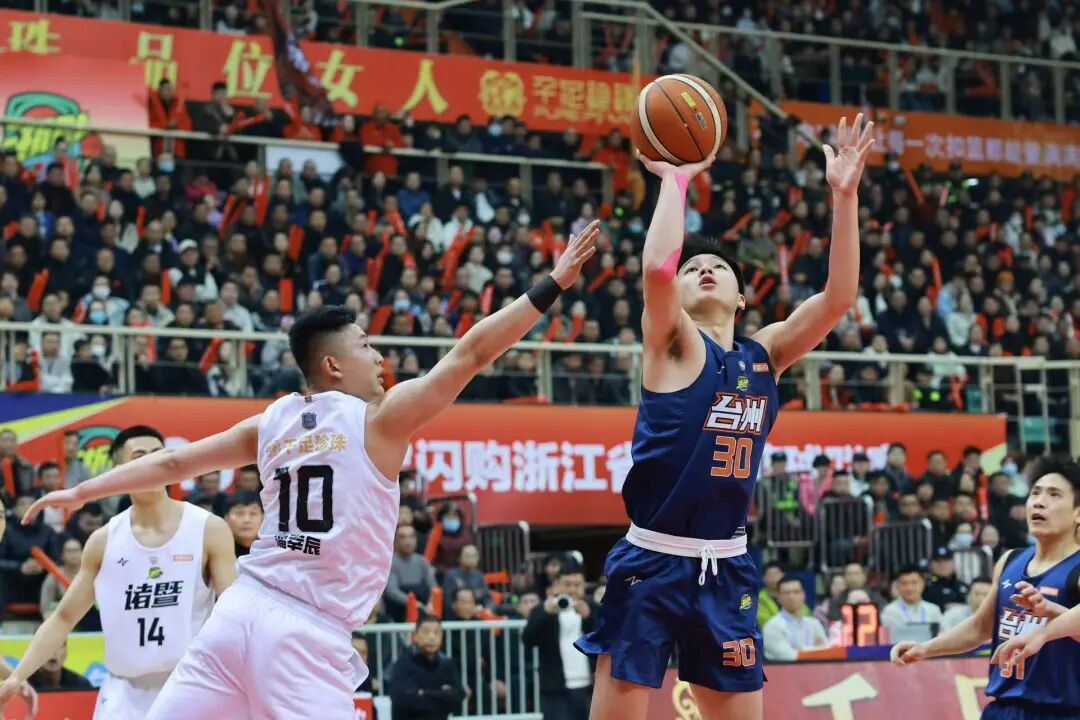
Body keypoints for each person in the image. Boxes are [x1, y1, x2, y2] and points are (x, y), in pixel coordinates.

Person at [11, 223, 599, 718]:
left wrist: (80, 490)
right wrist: (553, 283)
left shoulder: (270, 422)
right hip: (304, 632)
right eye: (366, 346)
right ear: (333, 365)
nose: (380, 357)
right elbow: (471, 353)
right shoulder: (381, 420)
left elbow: (171, 462)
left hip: (237, 613)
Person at [576, 115, 873, 719]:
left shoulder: (766, 353)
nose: (703, 270)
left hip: (727, 564)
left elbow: (839, 296)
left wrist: (844, 198)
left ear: (741, 297)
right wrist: (676, 180)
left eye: (718, 267)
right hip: (651, 561)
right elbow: (657, 269)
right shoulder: (671, 342)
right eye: (693, 269)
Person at [0, 426, 237, 719]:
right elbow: (63, 617)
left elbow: (233, 614)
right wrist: (17, 676)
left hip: (190, 686)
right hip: (124, 693)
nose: (153, 463)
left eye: (159, 455)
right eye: (140, 457)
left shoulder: (208, 528)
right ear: (120, 471)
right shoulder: (103, 540)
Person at [893, 459, 1080, 719]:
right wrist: (927, 648)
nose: (1039, 502)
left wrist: (1046, 627)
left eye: (1054, 494)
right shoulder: (1010, 560)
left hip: (1061, 712)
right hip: (1002, 709)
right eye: (1035, 493)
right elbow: (980, 626)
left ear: (1077, 513)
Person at [523, 566, 596, 720]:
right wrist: (545, 613)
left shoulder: (592, 608)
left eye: (577, 585)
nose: (572, 589)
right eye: (567, 584)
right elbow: (528, 639)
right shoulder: (543, 609)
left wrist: (589, 617)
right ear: (556, 584)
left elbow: (605, 641)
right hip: (555, 688)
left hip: (588, 686)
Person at [387, 615, 466, 720]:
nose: (432, 637)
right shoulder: (403, 665)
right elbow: (404, 700)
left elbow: (459, 696)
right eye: (426, 632)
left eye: (436, 632)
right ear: (415, 636)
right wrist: (443, 695)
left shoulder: (447, 665)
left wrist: (423, 693)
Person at [762, 576, 828, 661]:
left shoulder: (814, 624)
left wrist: (801, 650)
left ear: (803, 595)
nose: (792, 596)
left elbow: (826, 652)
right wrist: (816, 650)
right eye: (787, 593)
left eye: (796, 592)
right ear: (778, 597)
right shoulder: (772, 626)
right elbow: (788, 657)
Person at [385, 523, 437, 621]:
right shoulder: (389, 563)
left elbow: (433, 587)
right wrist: (414, 604)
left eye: (411, 536)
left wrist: (431, 603)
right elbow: (392, 592)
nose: (408, 541)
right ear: (394, 541)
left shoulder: (422, 561)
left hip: (423, 609)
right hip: (397, 613)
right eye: (402, 537)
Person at [880, 566, 944, 633]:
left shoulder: (933, 609)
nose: (909, 588)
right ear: (898, 586)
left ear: (923, 584)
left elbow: (942, 634)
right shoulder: (890, 611)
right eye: (904, 583)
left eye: (914, 583)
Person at [26, 640, 93, 692]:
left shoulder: (81, 685)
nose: (53, 652)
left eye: (59, 645)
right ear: (34, 652)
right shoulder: (24, 686)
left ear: (66, 651)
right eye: (46, 646)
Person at [923, 547, 969, 611]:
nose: (942, 564)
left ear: (953, 563)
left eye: (946, 560)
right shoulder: (926, 588)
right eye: (938, 561)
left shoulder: (964, 586)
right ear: (931, 565)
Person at [223, 491, 262, 557]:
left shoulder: (273, 550)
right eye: (239, 513)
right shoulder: (216, 551)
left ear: (264, 518)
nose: (246, 520)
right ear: (226, 518)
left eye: (253, 513)